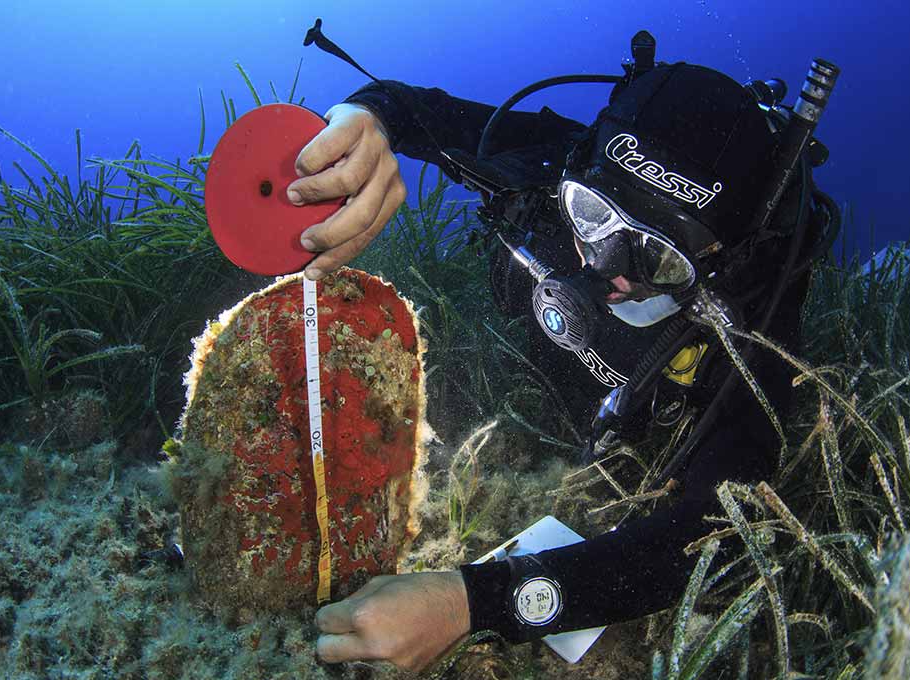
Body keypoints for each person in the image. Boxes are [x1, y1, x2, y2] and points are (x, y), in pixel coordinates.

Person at [287, 31, 838, 672]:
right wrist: (367, 122)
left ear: (717, 262)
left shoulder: (756, 317)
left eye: (656, 255)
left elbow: (710, 531)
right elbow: (409, 108)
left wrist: (473, 603)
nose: (607, 271)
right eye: (592, 214)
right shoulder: (563, 158)